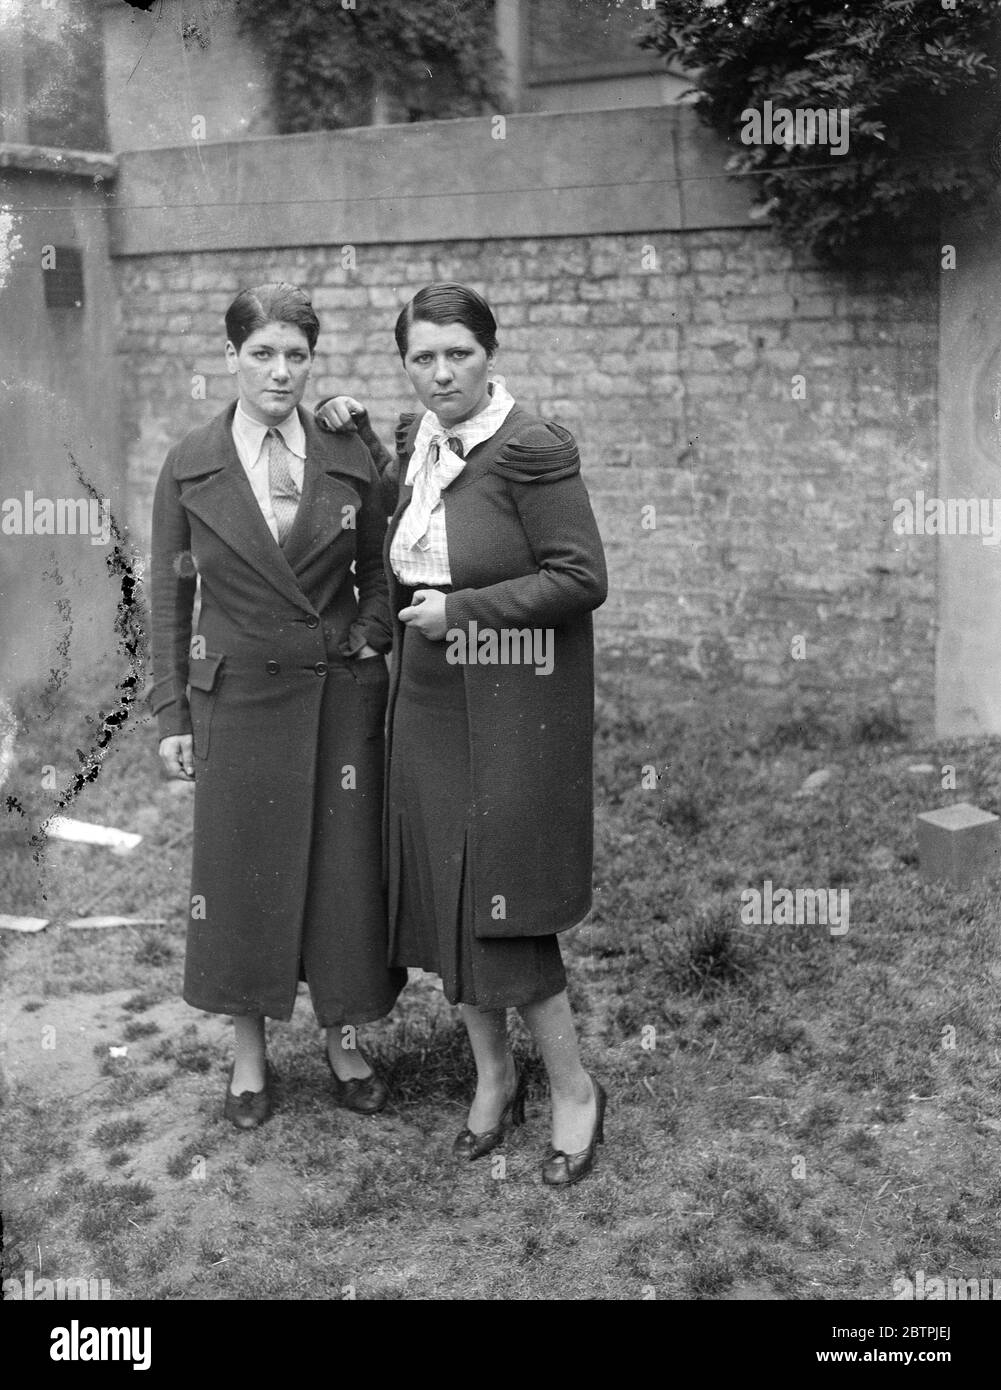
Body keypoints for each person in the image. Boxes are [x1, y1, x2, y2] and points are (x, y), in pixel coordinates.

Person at [317, 283, 609, 1186]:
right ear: (405, 364)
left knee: (504, 898)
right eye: (423, 358)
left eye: (459, 354)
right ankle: (492, 1079)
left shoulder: (530, 447)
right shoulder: (419, 441)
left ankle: (573, 1088)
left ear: (490, 352)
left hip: (517, 699)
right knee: (442, 887)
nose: (442, 373)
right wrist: (350, 427)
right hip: (432, 697)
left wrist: (468, 611)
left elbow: (581, 576)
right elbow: (402, 525)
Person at [151, 282, 405, 1130]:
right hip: (238, 698)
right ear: (230, 359)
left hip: (334, 695)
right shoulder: (190, 462)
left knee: (340, 869)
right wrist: (170, 719)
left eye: (296, 355)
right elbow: (165, 601)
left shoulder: (342, 452)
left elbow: (381, 565)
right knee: (239, 875)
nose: (280, 371)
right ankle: (249, 1053)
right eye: (261, 353)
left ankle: (341, 1039)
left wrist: (369, 633)